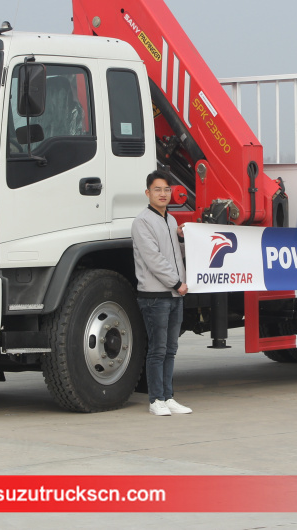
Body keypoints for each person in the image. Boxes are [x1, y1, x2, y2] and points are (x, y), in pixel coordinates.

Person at [131, 170, 192, 416]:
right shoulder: (142, 222)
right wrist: (177, 282)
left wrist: (183, 239)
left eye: (167, 189)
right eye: (157, 189)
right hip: (155, 296)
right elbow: (154, 259)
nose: (163, 194)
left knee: (170, 349)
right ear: (148, 193)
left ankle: (168, 396)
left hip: (175, 295)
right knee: (157, 349)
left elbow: (175, 255)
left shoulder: (171, 221)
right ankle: (156, 399)